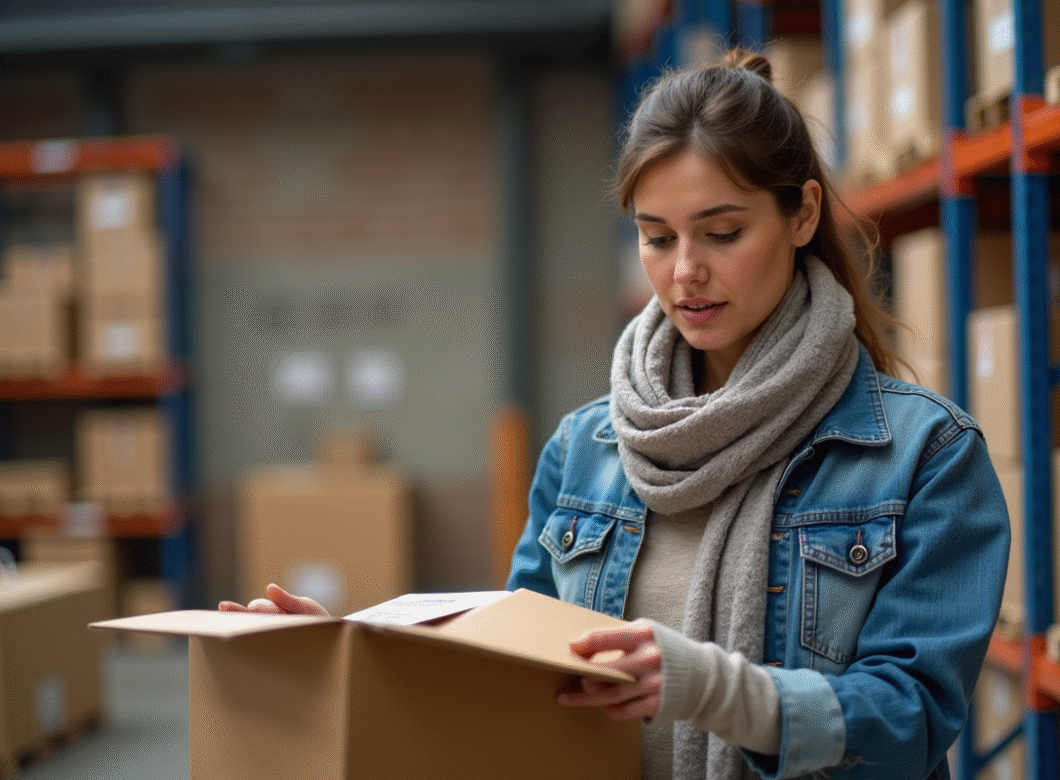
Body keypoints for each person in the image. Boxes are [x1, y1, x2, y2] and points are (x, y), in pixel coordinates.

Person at [223, 46, 1010, 780]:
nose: (686, 272)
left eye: (723, 231)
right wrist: (355, 654)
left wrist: (715, 689)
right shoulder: (587, 449)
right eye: (656, 237)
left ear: (802, 216)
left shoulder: (922, 454)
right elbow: (517, 674)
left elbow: (912, 720)